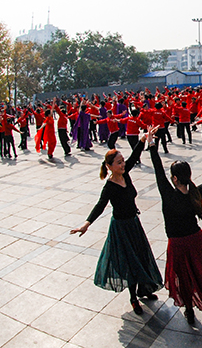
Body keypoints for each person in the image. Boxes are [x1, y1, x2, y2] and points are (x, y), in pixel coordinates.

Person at [147, 130, 202, 324]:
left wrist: (151, 144)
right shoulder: (195, 194)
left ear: (175, 179)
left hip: (178, 243)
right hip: (196, 240)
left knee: (184, 278)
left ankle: (189, 309)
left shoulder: (169, 195)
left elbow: (157, 169)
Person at [70, 132, 163, 316]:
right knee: (129, 263)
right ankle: (133, 298)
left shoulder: (125, 174)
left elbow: (135, 155)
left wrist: (144, 138)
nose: (122, 164)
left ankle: (143, 289)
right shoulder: (110, 186)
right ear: (109, 166)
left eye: (122, 161)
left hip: (134, 223)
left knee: (141, 257)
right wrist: (86, 224)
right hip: (121, 228)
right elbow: (100, 205)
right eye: (118, 162)